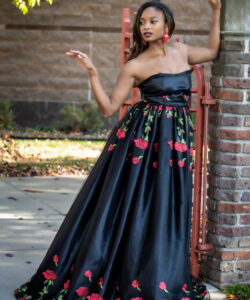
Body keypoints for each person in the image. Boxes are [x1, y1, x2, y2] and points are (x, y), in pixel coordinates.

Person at [13, 1, 220, 299]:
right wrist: (93, 73)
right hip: (142, 142)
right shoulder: (134, 65)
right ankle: (128, 271)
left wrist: (216, 11)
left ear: (167, 25)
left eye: (152, 21)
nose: (145, 27)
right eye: (141, 23)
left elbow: (213, 51)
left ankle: (159, 273)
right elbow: (109, 107)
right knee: (134, 205)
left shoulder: (183, 51)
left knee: (166, 205)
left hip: (174, 140)